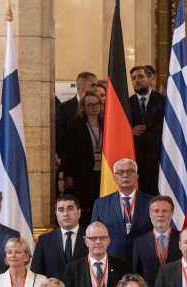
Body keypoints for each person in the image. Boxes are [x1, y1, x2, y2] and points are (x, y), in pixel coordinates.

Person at [63, 222, 133, 287]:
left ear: (108, 240)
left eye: (102, 237)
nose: (98, 242)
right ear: (86, 241)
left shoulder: (123, 268)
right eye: (93, 238)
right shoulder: (73, 269)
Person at [92, 158, 154, 264]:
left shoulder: (151, 202)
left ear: (136, 177)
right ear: (114, 178)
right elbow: (94, 235)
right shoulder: (100, 204)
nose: (125, 175)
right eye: (120, 173)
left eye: (130, 172)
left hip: (144, 260)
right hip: (112, 259)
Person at [63, 90, 104, 220]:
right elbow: (69, 151)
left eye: (96, 104)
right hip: (83, 172)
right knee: (86, 205)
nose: (94, 107)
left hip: (103, 172)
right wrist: (68, 175)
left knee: (100, 204)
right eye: (90, 105)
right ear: (83, 107)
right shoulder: (76, 124)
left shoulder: (106, 123)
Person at [30, 195, 88, 281]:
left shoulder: (91, 237)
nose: (65, 214)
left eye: (70, 209)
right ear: (56, 214)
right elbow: (36, 274)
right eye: (61, 210)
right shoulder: (45, 240)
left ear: (79, 213)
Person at [131, 195, 182, 287]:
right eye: (156, 211)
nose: (160, 214)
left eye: (165, 211)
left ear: (172, 213)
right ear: (150, 214)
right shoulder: (140, 242)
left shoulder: (182, 238)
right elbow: (136, 274)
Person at [129, 66, 165, 195]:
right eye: (133, 78)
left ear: (150, 79)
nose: (136, 80)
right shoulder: (127, 103)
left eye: (140, 76)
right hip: (135, 161)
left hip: (157, 161)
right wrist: (130, 131)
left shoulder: (163, 102)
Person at [55, 72, 98, 165]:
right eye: (93, 85)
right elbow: (59, 137)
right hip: (74, 164)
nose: (96, 89)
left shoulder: (100, 109)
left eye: (96, 85)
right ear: (80, 86)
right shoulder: (63, 108)